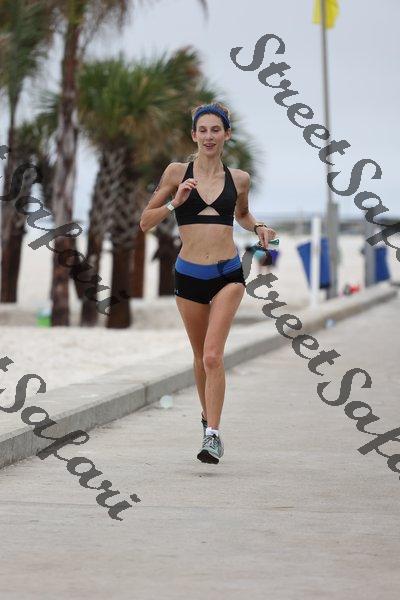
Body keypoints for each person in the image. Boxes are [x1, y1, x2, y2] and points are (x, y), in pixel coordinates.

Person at [139, 102, 277, 464]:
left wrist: (259, 227)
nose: (209, 136)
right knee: (200, 357)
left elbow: (242, 214)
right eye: (203, 130)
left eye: (216, 130)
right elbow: (145, 221)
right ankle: (206, 418)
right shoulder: (176, 173)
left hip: (228, 273)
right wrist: (175, 203)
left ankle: (212, 435)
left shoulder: (239, 179)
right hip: (188, 276)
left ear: (227, 134)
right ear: (194, 135)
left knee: (213, 355)